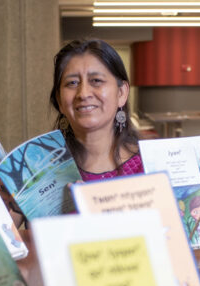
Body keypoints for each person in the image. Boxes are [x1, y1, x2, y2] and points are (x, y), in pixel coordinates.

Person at [50, 39, 144, 181]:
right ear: (59, 100)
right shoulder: (46, 171)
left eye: (96, 80)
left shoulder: (151, 165)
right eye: (72, 83)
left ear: (121, 93)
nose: (83, 94)